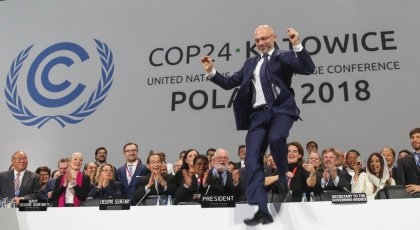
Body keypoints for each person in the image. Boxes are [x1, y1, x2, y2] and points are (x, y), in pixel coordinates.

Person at [201, 25, 315, 225]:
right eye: (257, 40)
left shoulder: (283, 56)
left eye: (264, 38)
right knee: (252, 161)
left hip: (281, 111)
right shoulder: (250, 63)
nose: (261, 43)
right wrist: (211, 71)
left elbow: (308, 68)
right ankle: (262, 210)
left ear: (273, 37)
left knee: (276, 138)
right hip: (258, 116)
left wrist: (296, 44)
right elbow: (229, 83)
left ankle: (281, 175)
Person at [397, 128, 420, 195]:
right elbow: (400, 186)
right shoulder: (402, 161)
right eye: (412, 138)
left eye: (418, 137)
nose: (414, 139)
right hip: (411, 200)